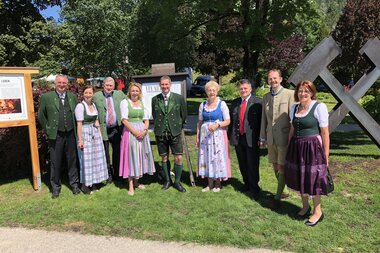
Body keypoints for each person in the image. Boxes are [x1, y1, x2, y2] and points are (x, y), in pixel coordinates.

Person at [285, 80, 330, 227]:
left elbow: (325, 132)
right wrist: (289, 145)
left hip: (312, 148)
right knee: (299, 176)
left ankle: (318, 211)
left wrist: (326, 155)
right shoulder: (294, 108)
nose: (303, 93)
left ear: (312, 92)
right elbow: (292, 129)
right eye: (300, 91)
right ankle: (305, 206)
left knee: (313, 178)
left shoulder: (319, 107)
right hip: (296, 147)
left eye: (306, 91)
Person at [38, 74, 80, 198]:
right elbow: (41, 116)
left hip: (71, 133)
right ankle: (55, 187)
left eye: (64, 83)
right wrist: (48, 129)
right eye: (59, 83)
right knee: (55, 161)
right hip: (56, 135)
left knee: (72, 160)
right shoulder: (46, 97)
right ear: (55, 84)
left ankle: (74, 184)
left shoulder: (72, 97)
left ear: (67, 85)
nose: (62, 85)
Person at [259, 69, 294, 208]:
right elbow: (264, 119)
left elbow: (293, 118)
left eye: (275, 78)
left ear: (280, 79)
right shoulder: (266, 97)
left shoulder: (290, 94)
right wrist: (262, 136)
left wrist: (293, 137)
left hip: (284, 137)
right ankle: (284, 191)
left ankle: (277, 197)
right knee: (274, 164)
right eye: (270, 79)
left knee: (281, 166)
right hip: (270, 137)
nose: (272, 81)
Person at [151, 75, 187, 193]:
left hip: (175, 132)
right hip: (161, 132)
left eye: (167, 84)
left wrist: (176, 126)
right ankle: (167, 180)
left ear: (170, 85)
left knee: (178, 157)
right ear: (160, 85)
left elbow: (184, 116)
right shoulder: (155, 99)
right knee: (164, 157)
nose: (165, 86)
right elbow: (155, 116)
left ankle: (177, 182)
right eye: (163, 84)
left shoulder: (179, 98)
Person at [228, 79, 262, 200]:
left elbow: (262, 123)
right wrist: (230, 136)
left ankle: (254, 188)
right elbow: (231, 122)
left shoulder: (258, 102)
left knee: (252, 164)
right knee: (242, 163)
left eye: (245, 88)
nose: (243, 90)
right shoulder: (235, 103)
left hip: (252, 139)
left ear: (250, 89)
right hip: (238, 138)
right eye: (241, 89)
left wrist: (261, 138)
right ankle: (246, 184)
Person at [119, 82, 155, 196]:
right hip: (130, 132)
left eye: (137, 91)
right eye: (133, 91)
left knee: (139, 156)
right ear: (129, 92)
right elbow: (124, 120)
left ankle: (136, 181)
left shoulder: (142, 103)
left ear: (139, 92)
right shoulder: (125, 102)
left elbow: (146, 119)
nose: (135, 93)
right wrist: (135, 132)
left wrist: (144, 131)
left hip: (142, 133)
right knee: (131, 157)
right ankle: (130, 184)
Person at [196, 81, 231, 192]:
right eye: (209, 90)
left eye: (213, 90)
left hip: (218, 136)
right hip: (205, 137)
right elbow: (199, 122)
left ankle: (218, 183)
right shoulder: (203, 105)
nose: (211, 92)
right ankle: (209, 183)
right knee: (206, 157)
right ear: (206, 92)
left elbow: (228, 121)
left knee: (217, 157)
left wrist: (217, 124)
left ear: (217, 91)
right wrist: (197, 137)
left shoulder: (222, 104)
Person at [75, 85, 108, 194]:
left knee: (95, 160)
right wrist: (80, 140)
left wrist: (99, 133)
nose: (88, 95)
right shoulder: (80, 106)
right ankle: (84, 185)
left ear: (93, 94)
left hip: (94, 134)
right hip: (85, 134)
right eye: (86, 93)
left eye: (90, 93)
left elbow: (96, 121)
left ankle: (93, 182)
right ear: (83, 94)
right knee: (86, 160)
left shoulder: (93, 105)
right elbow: (79, 124)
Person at [93, 77, 125, 183]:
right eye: (107, 85)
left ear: (114, 86)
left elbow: (129, 101)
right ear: (103, 85)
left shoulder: (119, 94)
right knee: (105, 153)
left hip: (116, 128)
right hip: (103, 129)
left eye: (111, 85)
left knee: (117, 152)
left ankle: (117, 174)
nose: (108, 87)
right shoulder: (96, 96)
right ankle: (108, 175)